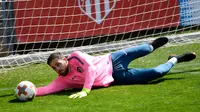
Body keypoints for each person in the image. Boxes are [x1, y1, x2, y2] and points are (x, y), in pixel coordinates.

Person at [36, 37, 196, 99]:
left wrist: (85, 90)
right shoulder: (63, 81)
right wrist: (27, 90)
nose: (57, 69)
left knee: (147, 49)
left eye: (58, 64)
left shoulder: (76, 55)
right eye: (54, 68)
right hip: (116, 78)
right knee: (158, 72)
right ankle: (175, 58)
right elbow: (46, 89)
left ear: (65, 59)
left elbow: (90, 69)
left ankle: (152, 46)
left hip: (113, 59)